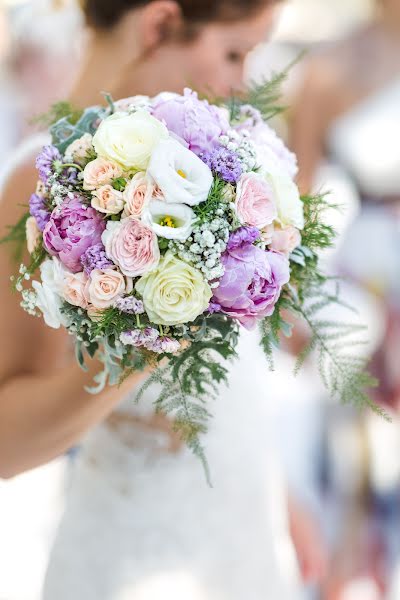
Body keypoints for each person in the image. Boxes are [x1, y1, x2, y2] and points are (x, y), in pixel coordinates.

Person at [0, 1, 323, 598]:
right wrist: (137, 350)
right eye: (233, 53)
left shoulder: (219, 176)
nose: (241, 83)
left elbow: (230, 391)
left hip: (246, 547)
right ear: (158, 27)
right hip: (132, 562)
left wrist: (281, 499)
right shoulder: (42, 190)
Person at [291, 0, 400, 595]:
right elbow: (299, 197)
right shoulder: (332, 67)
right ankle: (349, 572)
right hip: (370, 273)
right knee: (352, 449)